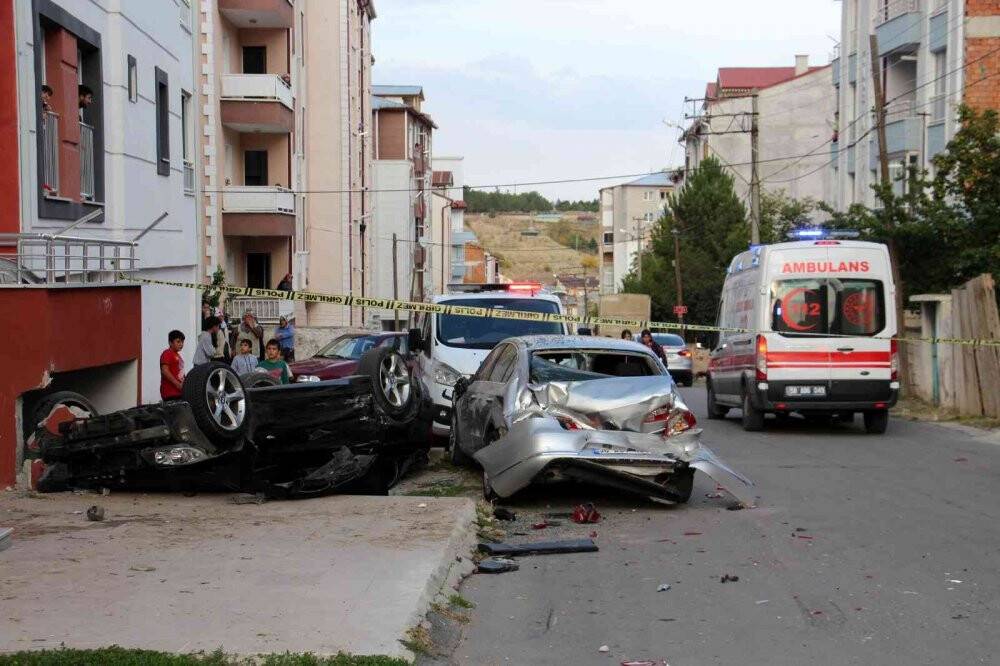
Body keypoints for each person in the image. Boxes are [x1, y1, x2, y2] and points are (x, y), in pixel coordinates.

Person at [160, 330, 186, 401]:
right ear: (170, 342)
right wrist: (177, 384)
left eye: (182, 342)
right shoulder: (167, 353)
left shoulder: (178, 355)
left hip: (179, 392)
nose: (181, 344)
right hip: (170, 393)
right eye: (178, 341)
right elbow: (165, 371)